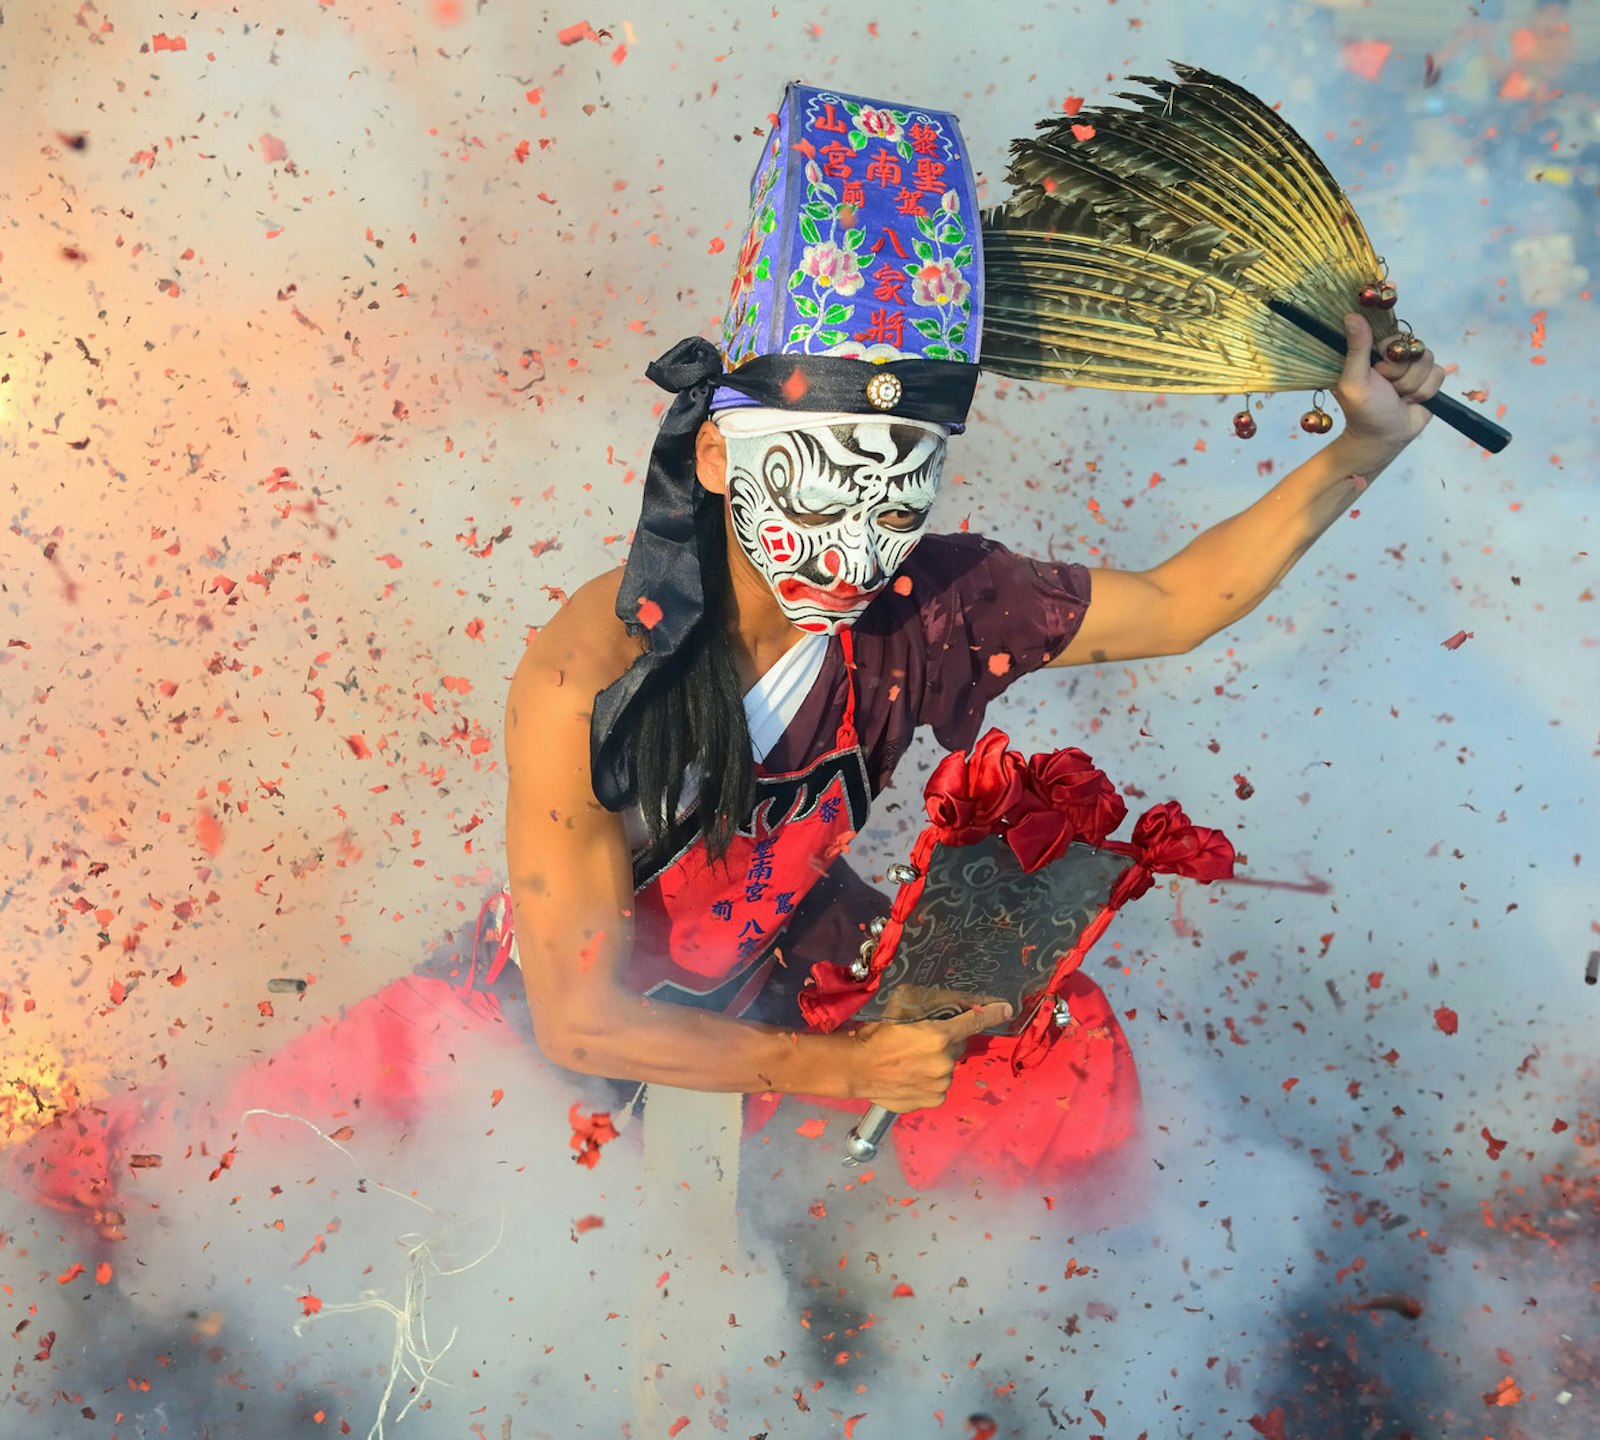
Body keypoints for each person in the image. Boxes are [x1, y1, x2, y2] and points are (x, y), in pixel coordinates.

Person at [502, 82, 1443, 1184]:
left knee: (1055, 1043)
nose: (856, 546)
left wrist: (1364, 446)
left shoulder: (931, 606)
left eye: (896, 491)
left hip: (778, 957)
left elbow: (1183, 605)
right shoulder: (592, 673)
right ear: (717, 459)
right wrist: (848, 1071)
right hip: (555, 1027)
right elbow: (577, 1020)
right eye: (818, 482)